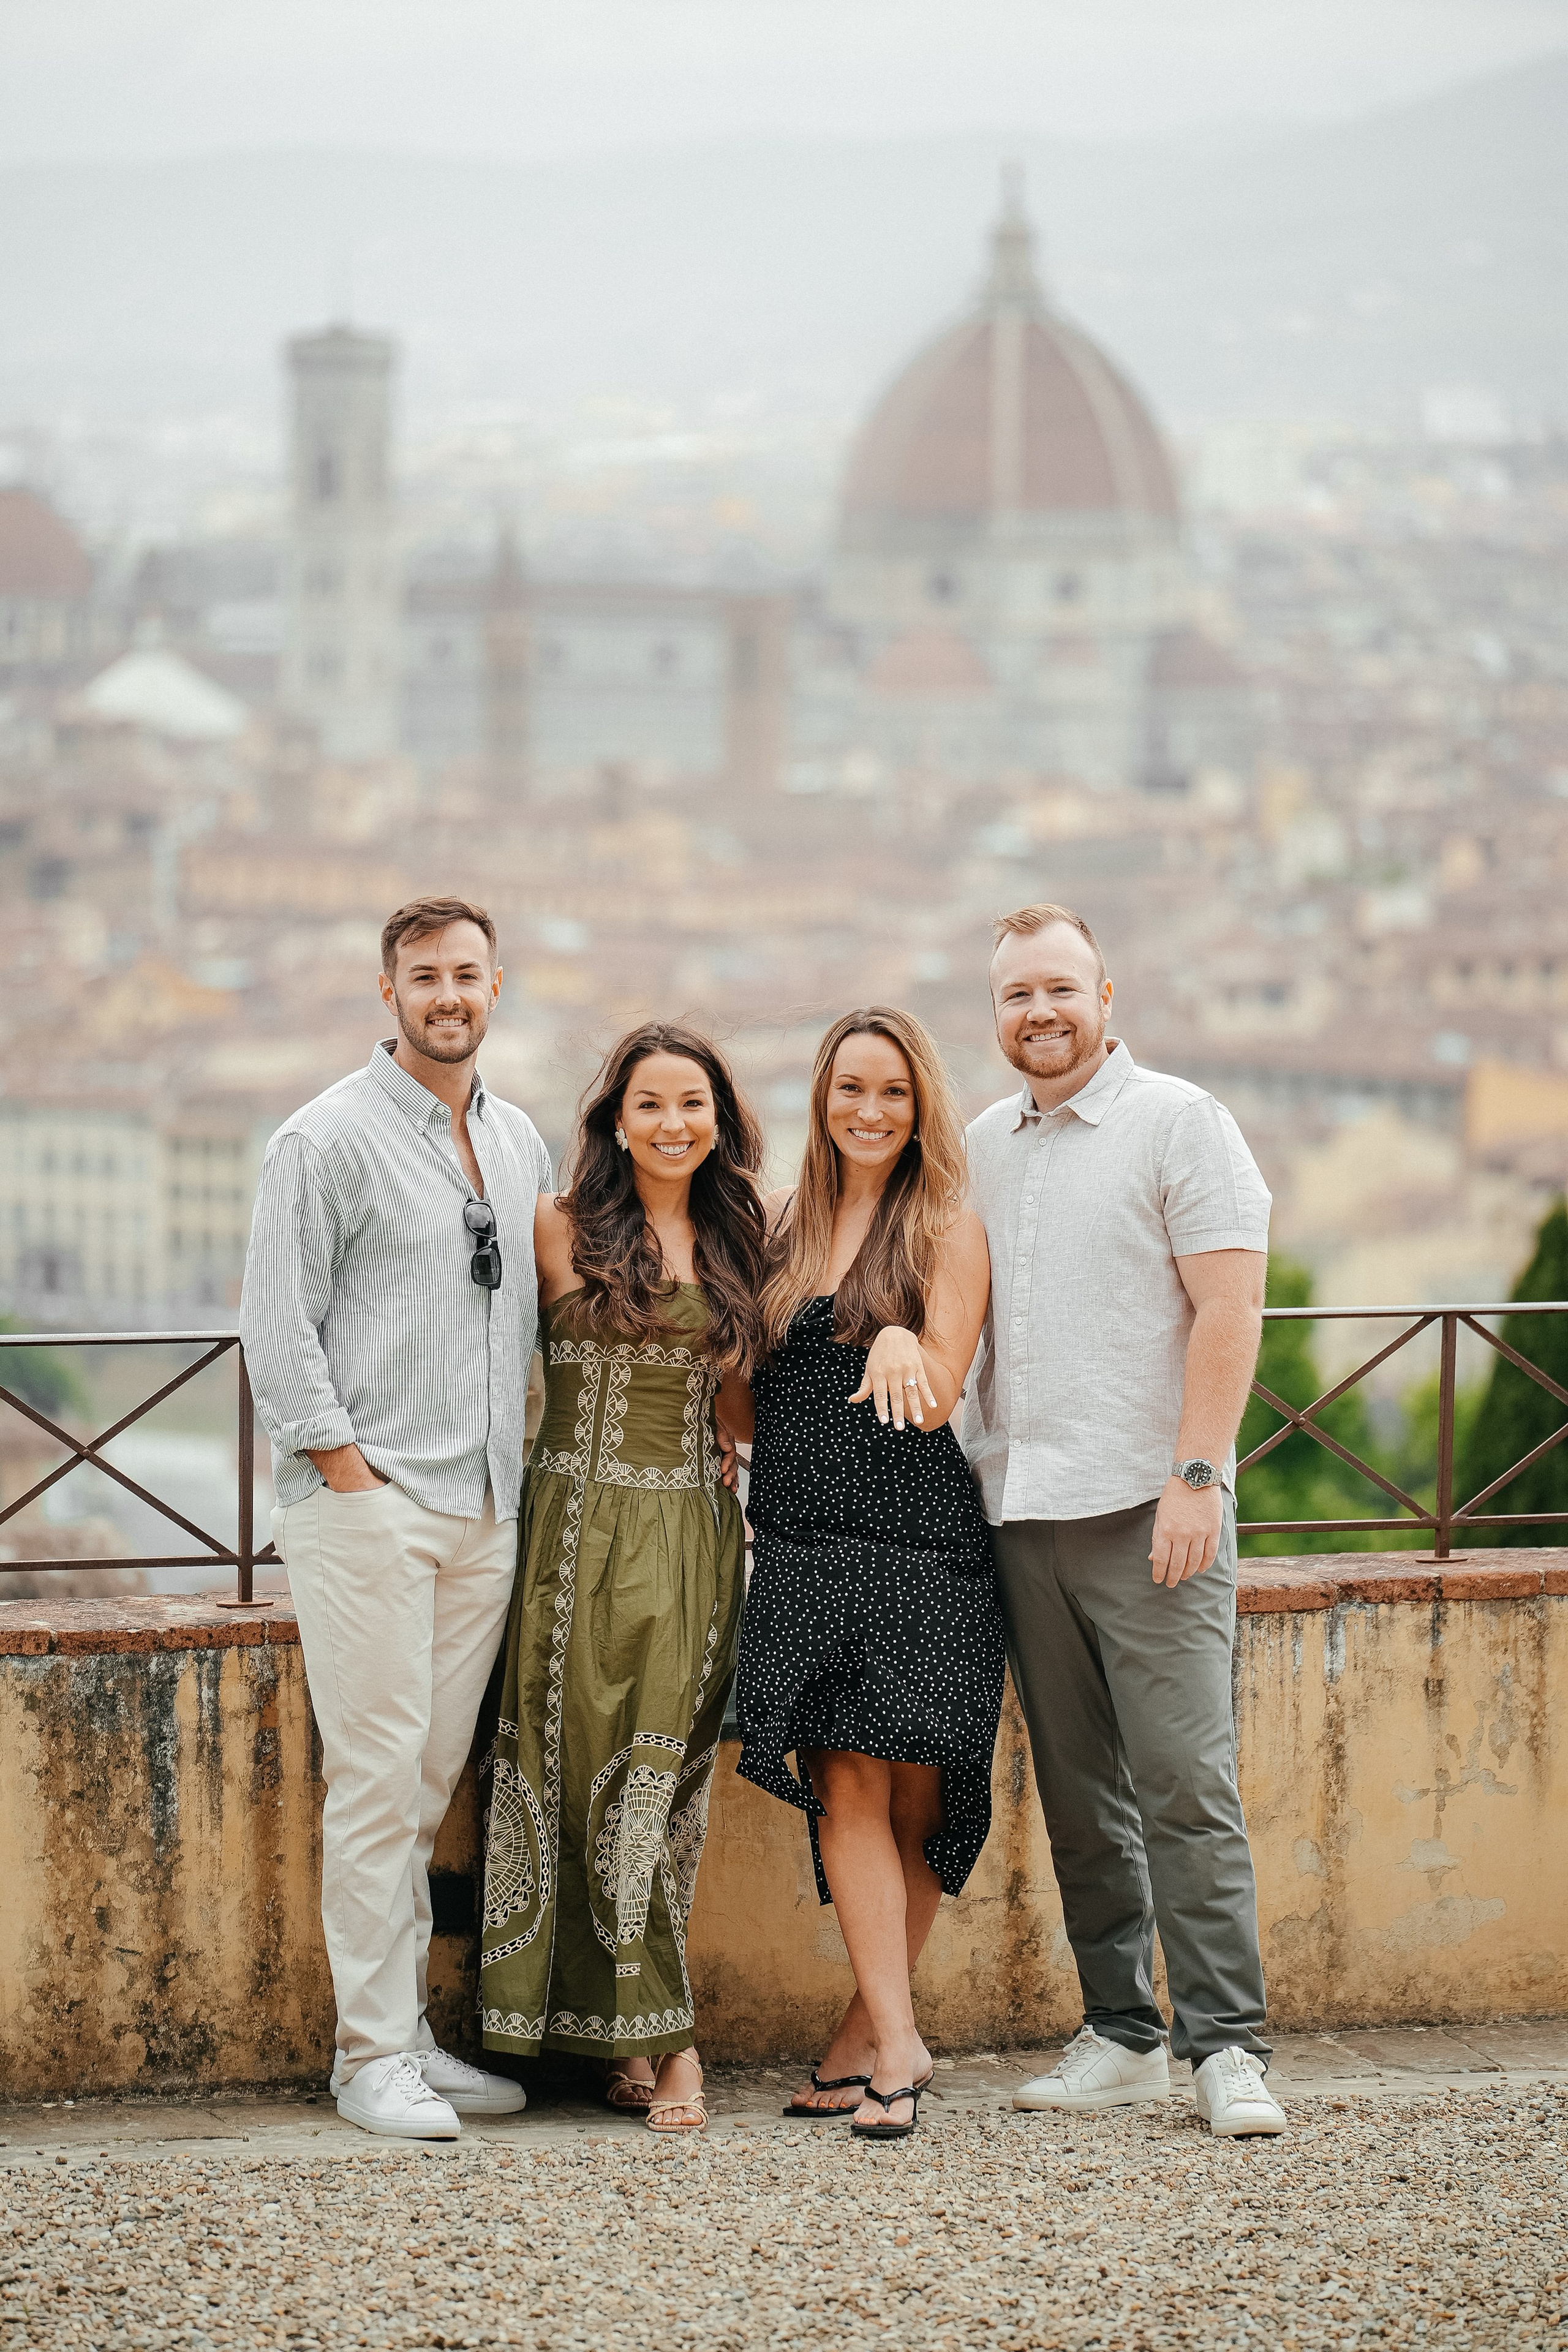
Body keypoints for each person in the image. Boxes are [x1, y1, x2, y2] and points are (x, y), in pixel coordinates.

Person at [963, 901, 1286, 2139]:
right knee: (1079, 1793)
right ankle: (1120, 2031)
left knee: (1184, 1787)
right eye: (1013, 995)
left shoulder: (1179, 1121)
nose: (1036, 1012)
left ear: (1107, 998)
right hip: (1021, 1510)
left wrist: (1198, 1475)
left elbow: (1227, 1304)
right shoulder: (985, 1140)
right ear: (994, 1016)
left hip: (1151, 1512)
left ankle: (1226, 2046)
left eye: (1057, 988)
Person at [241, 895, 548, 2141]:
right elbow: (277, 1329)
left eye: (467, 975)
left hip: (482, 1506)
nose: (448, 996)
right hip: (371, 1509)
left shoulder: (518, 1138)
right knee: (376, 1783)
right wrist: (354, 1484)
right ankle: (368, 2055)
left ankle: (409, 2037)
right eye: (424, 977)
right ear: (388, 993)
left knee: (425, 1784)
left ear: (494, 985)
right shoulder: (322, 1140)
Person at [479, 1022, 764, 2133]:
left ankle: (666, 2040)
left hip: (690, 1532)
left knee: (657, 1782)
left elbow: (742, 1415)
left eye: (692, 1103)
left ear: (720, 1121)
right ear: (614, 1121)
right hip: (566, 1528)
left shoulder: (744, 1245)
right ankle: (590, 2035)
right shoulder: (560, 1228)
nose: (673, 1124)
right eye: (650, 1103)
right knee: (560, 1768)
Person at [731, 1006, 1003, 2143]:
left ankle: (865, 2037)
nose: (870, 1110)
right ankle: (897, 2043)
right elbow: (746, 1410)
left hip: (919, 1543)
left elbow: (941, 1389)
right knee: (845, 1782)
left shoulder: (945, 1225)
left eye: (893, 1091)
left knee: (918, 1802)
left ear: (921, 1103)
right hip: (802, 1541)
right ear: (822, 1095)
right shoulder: (781, 1227)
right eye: (851, 1088)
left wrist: (902, 1344)